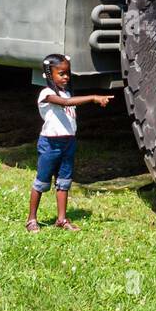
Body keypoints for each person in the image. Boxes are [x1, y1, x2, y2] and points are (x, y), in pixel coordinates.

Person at [26, 53, 109, 232]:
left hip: (68, 143)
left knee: (64, 182)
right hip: (50, 144)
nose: (66, 77)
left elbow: (68, 102)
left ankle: (62, 219)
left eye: (67, 73)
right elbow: (65, 103)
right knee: (41, 182)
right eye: (61, 74)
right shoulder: (46, 94)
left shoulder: (66, 92)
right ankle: (31, 219)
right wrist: (93, 97)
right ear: (50, 74)